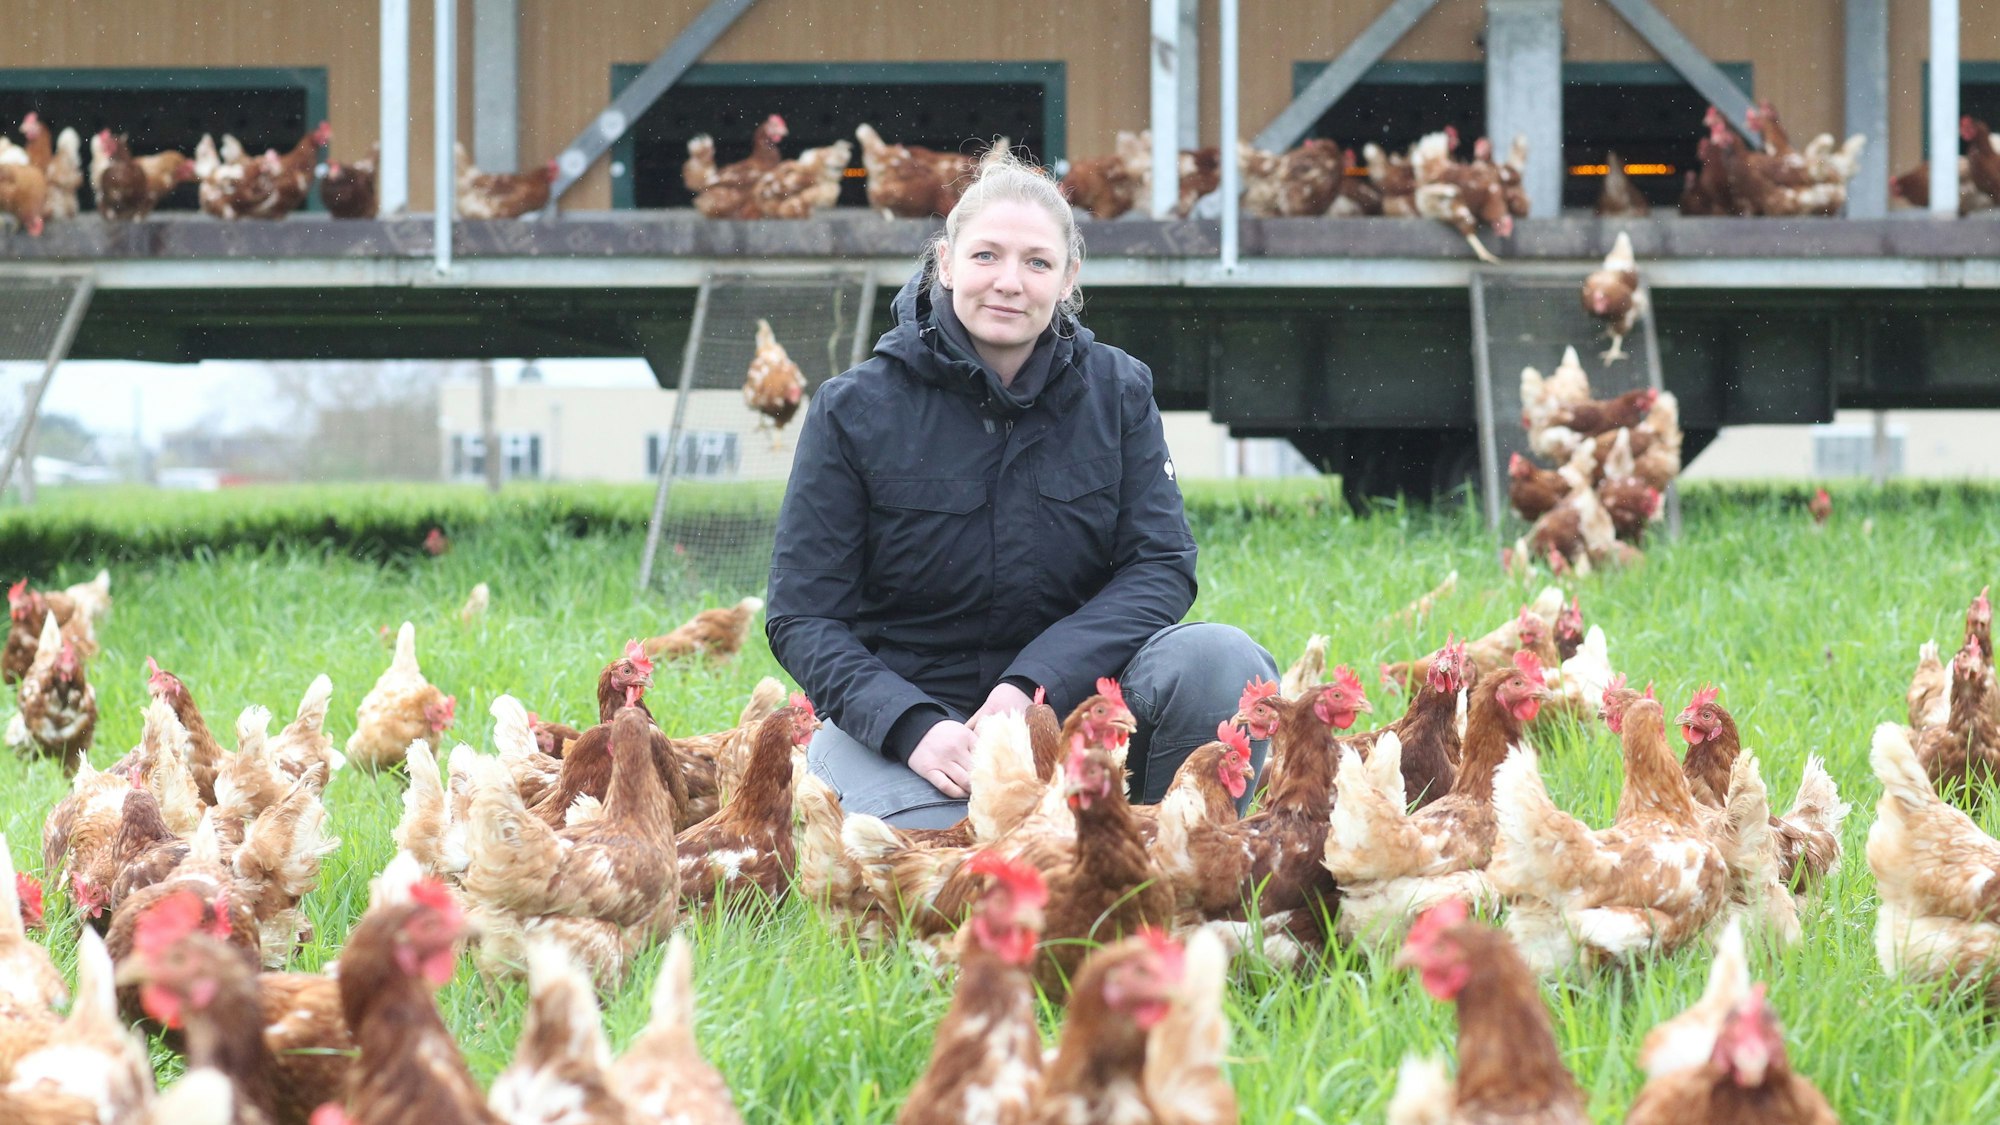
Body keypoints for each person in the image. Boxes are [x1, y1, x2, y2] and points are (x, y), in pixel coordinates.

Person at [765, 147, 1277, 829]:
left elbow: (1160, 567)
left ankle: (1162, 852)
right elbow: (803, 616)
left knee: (1221, 660)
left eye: (1036, 262)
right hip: (917, 729)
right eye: (985, 257)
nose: (1009, 282)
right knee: (957, 871)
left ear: (1069, 277)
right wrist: (909, 724)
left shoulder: (1118, 392)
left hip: (1080, 702)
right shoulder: (853, 409)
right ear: (945, 262)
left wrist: (1030, 684)